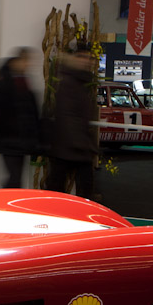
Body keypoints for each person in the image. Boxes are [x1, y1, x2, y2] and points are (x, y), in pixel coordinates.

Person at [46, 48, 99, 200]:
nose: (87, 61)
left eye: (89, 58)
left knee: (59, 187)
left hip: (72, 148)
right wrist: (83, 143)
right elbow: (68, 116)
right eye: (82, 57)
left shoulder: (77, 82)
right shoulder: (70, 83)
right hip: (71, 148)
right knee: (66, 188)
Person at [0, 48, 41, 188]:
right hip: (9, 139)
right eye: (25, 60)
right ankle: (4, 202)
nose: (28, 64)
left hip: (20, 140)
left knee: (16, 177)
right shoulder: (5, 82)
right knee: (15, 177)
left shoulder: (24, 82)